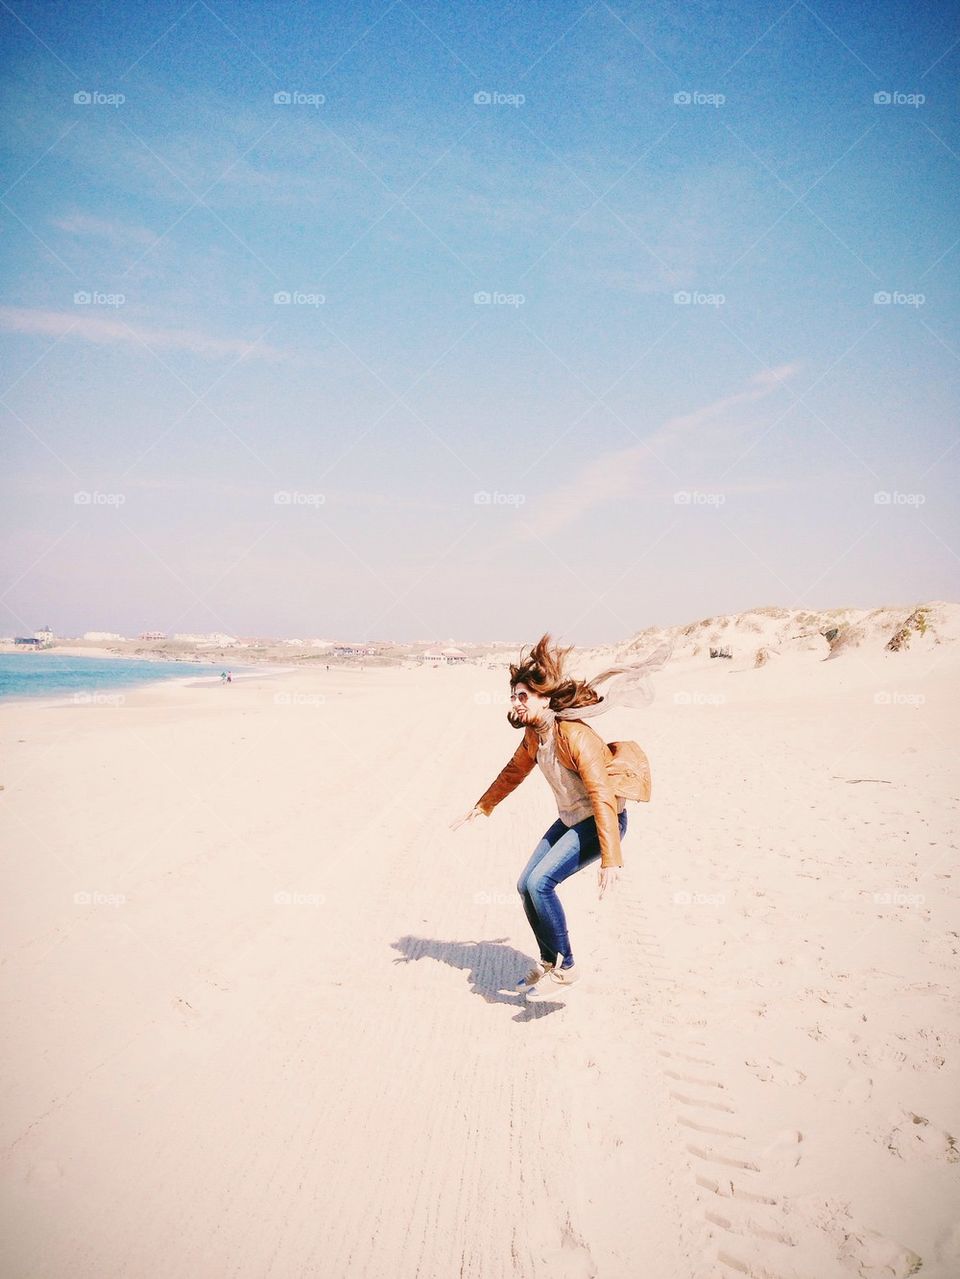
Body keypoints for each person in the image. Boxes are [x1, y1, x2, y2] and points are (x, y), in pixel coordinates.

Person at [451, 633, 670, 993]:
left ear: (543, 698)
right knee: (525, 885)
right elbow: (513, 771)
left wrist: (611, 857)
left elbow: (601, 794)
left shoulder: (573, 734)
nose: (516, 703)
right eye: (512, 696)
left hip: (604, 820)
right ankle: (549, 961)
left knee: (541, 884)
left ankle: (566, 966)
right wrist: (483, 805)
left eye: (523, 696)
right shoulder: (536, 734)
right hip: (572, 819)